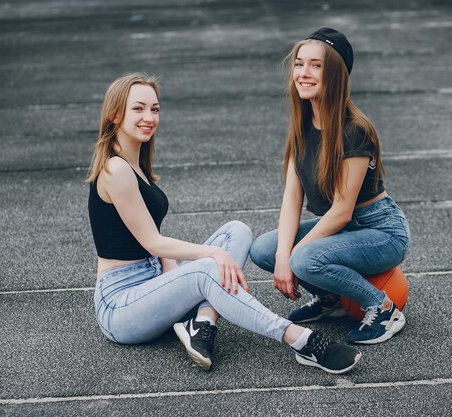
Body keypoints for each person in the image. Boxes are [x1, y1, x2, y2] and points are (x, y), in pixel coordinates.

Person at [86, 72, 361, 373]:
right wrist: (210, 259)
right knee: (210, 265)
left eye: (155, 109)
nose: (149, 117)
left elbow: (151, 239)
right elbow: (151, 241)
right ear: (114, 115)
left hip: (150, 285)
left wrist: (175, 280)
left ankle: (203, 320)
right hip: (120, 307)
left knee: (236, 232)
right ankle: (300, 340)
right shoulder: (116, 169)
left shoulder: (135, 166)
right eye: (138, 109)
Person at [250, 28, 411, 345]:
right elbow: (292, 198)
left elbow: (341, 211)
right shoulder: (303, 123)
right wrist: (283, 257)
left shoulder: (354, 131)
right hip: (342, 230)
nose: (303, 73)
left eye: (315, 65)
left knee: (304, 259)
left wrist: (294, 256)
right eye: (299, 64)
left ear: (335, 74)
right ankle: (332, 300)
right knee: (263, 250)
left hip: (381, 231)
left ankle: (382, 307)